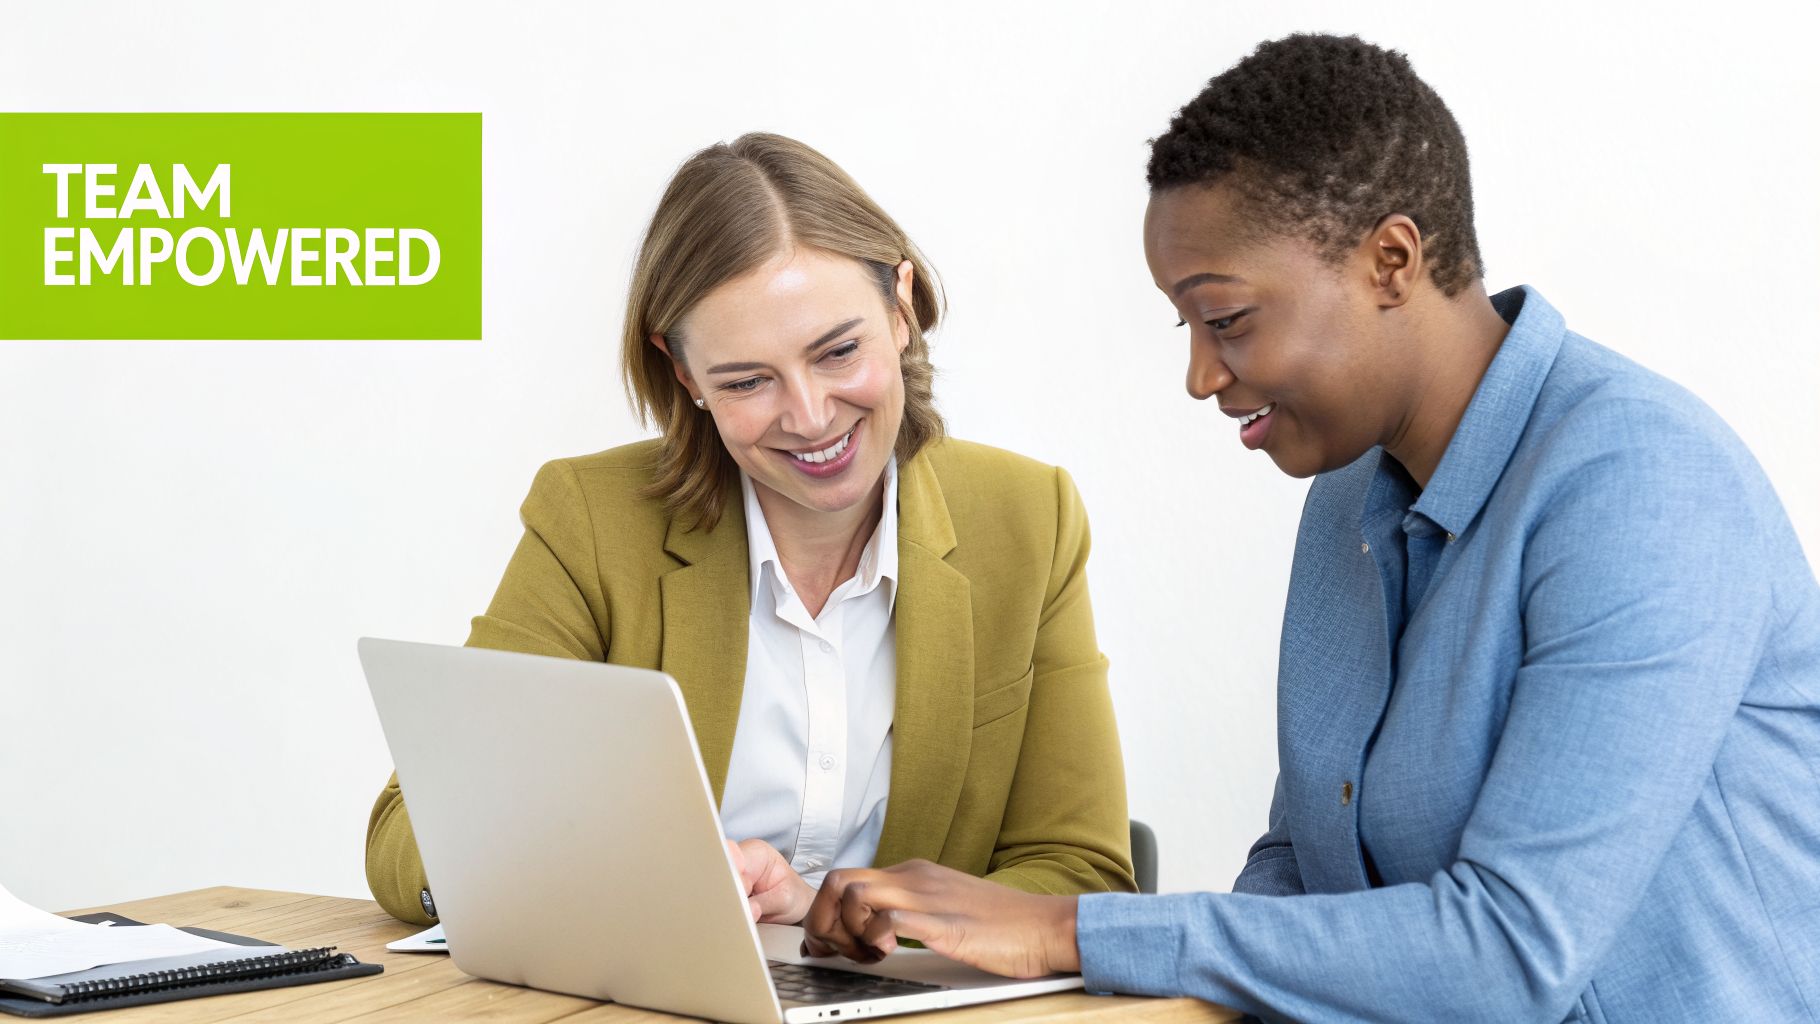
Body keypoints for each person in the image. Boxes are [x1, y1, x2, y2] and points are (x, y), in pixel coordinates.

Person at [800, 35, 1820, 1022]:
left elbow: (1513, 951)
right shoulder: (1348, 499)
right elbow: (1304, 868)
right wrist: (1005, 955)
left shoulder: (1637, 485)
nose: (1200, 375)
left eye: (1228, 320)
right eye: (1186, 328)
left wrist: (1067, 930)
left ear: (1389, 259)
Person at [364, 133, 1136, 928]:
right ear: (686, 374)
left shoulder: (1025, 516)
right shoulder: (592, 521)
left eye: (838, 352)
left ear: (900, 308)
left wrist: (841, 913)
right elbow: (409, 833)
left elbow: (1083, 872)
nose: (808, 417)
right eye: (748, 380)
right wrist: (634, 885)